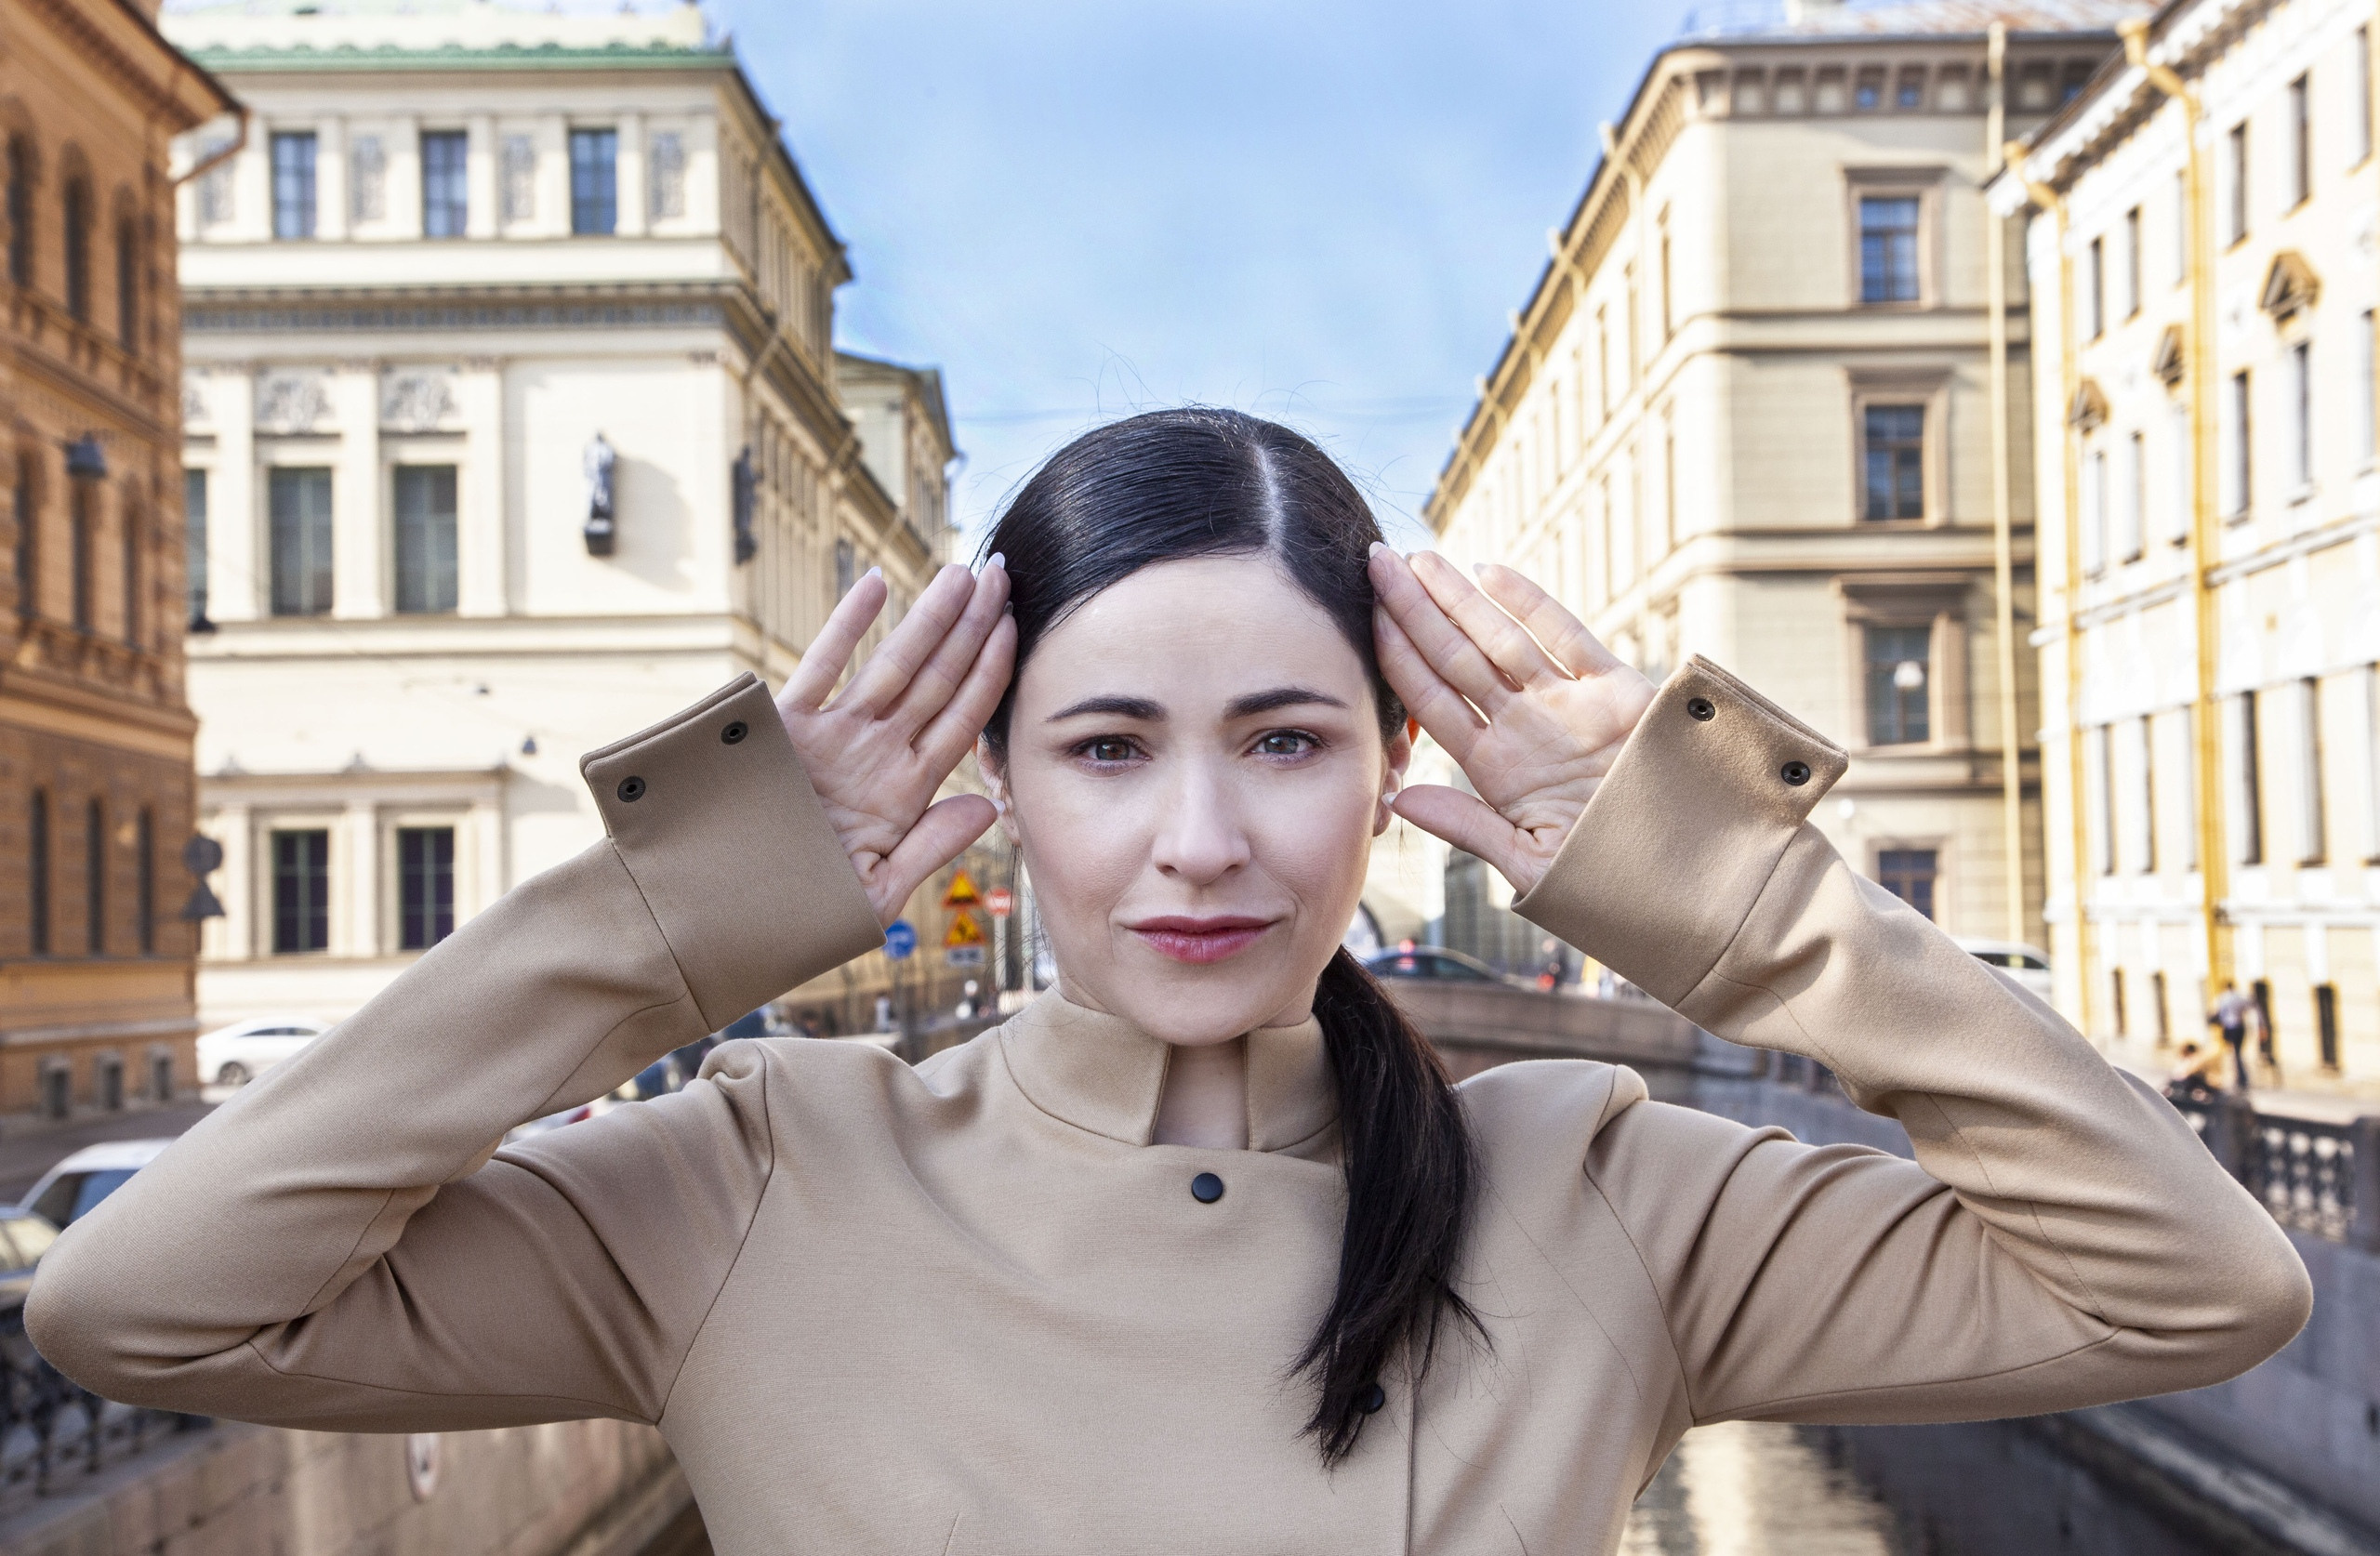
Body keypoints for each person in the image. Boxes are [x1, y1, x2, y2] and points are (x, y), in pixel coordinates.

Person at [26, 411, 2308, 1555]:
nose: (1199, 840)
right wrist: (665, 915)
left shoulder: (1603, 1183)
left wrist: (1735, 892)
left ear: (1391, 776)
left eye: (1285, 743)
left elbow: (2191, 1288)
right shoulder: (754, 1177)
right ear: (995, 782)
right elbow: (143, 1306)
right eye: (1107, 748)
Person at [2211, 981, 2253, 1093]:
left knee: (2232, 1053)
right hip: (2240, 1027)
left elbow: (2219, 1013)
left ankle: (2238, 1078)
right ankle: (2241, 1078)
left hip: (2229, 1027)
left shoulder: (2223, 998)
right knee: (2238, 1053)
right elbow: (2249, 1007)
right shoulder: (2239, 997)